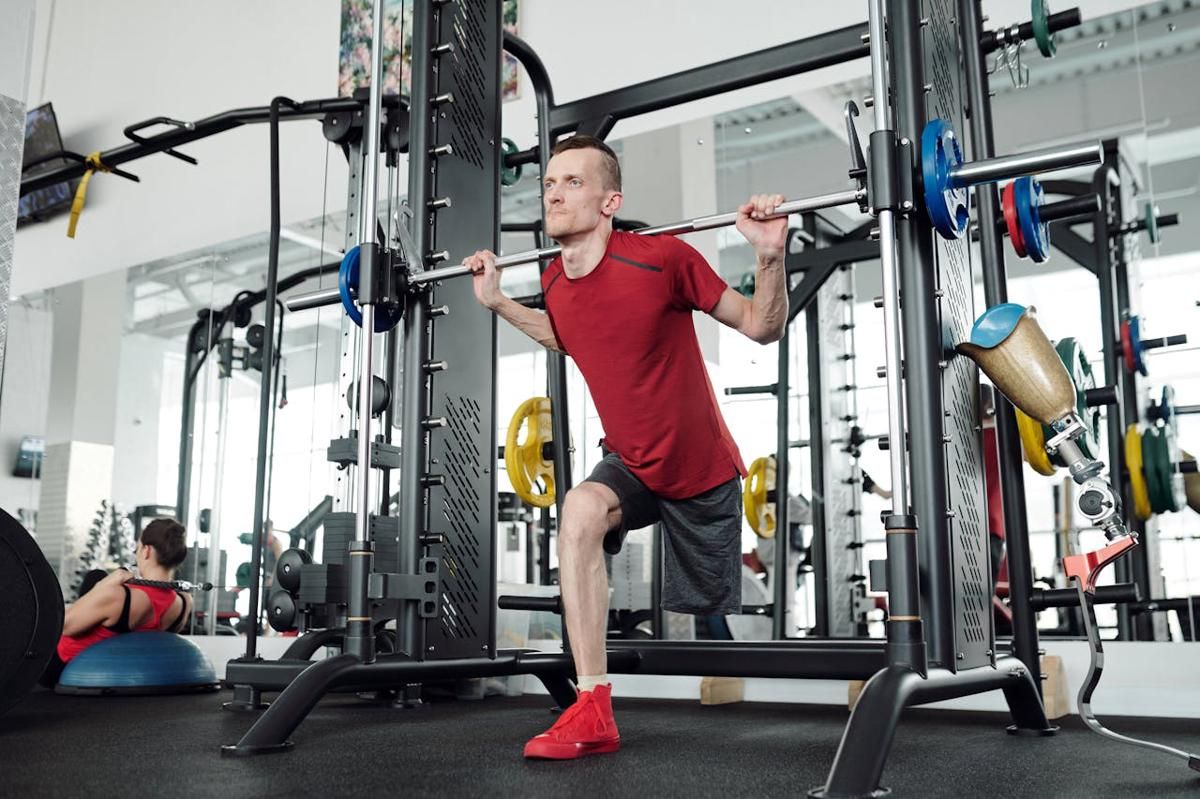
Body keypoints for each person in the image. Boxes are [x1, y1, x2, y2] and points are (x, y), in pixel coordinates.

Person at [465, 135, 787, 759]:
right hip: (631, 462)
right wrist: (500, 301)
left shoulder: (663, 258)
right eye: (550, 183)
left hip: (699, 471)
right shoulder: (554, 277)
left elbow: (762, 326)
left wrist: (770, 256)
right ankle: (593, 708)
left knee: (715, 623)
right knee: (579, 510)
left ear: (611, 201)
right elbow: (569, 336)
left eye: (573, 183)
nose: (554, 192)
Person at [40, 518, 193, 687]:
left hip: (63, 667)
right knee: (96, 575)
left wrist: (105, 584)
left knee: (95, 577)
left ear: (147, 551)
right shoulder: (184, 601)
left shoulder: (118, 596)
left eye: (138, 547)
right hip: (126, 672)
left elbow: (62, 626)